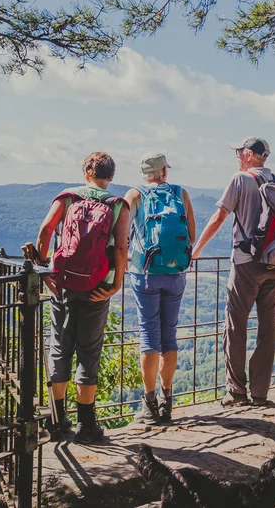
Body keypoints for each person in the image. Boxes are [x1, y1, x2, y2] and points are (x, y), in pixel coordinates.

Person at [32, 152, 129, 444]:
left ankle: (57, 421)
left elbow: (46, 229)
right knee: (89, 350)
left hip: (62, 284)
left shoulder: (68, 198)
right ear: (111, 176)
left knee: (60, 347)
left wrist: (44, 269)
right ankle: (87, 425)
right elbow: (121, 247)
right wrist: (116, 284)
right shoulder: (118, 205)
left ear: (86, 171)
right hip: (96, 286)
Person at [191, 137, 275, 406]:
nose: (237, 157)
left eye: (239, 152)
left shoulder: (240, 179)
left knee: (235, 325)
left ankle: (237, 392)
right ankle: (261, 392)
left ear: (248, 154)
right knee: (268, 327)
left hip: (246, 262)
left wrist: (196, 251)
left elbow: (219, 216)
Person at [125, 152, 195, 425]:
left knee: (149, 335)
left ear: (145, 173)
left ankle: (149, 403)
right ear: (164, 171)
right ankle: (167, 401)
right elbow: (191, 234)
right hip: (176, 274)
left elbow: (122, 234)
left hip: (145, 274)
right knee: (170, 336)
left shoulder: (135, 195)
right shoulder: (180, 193)